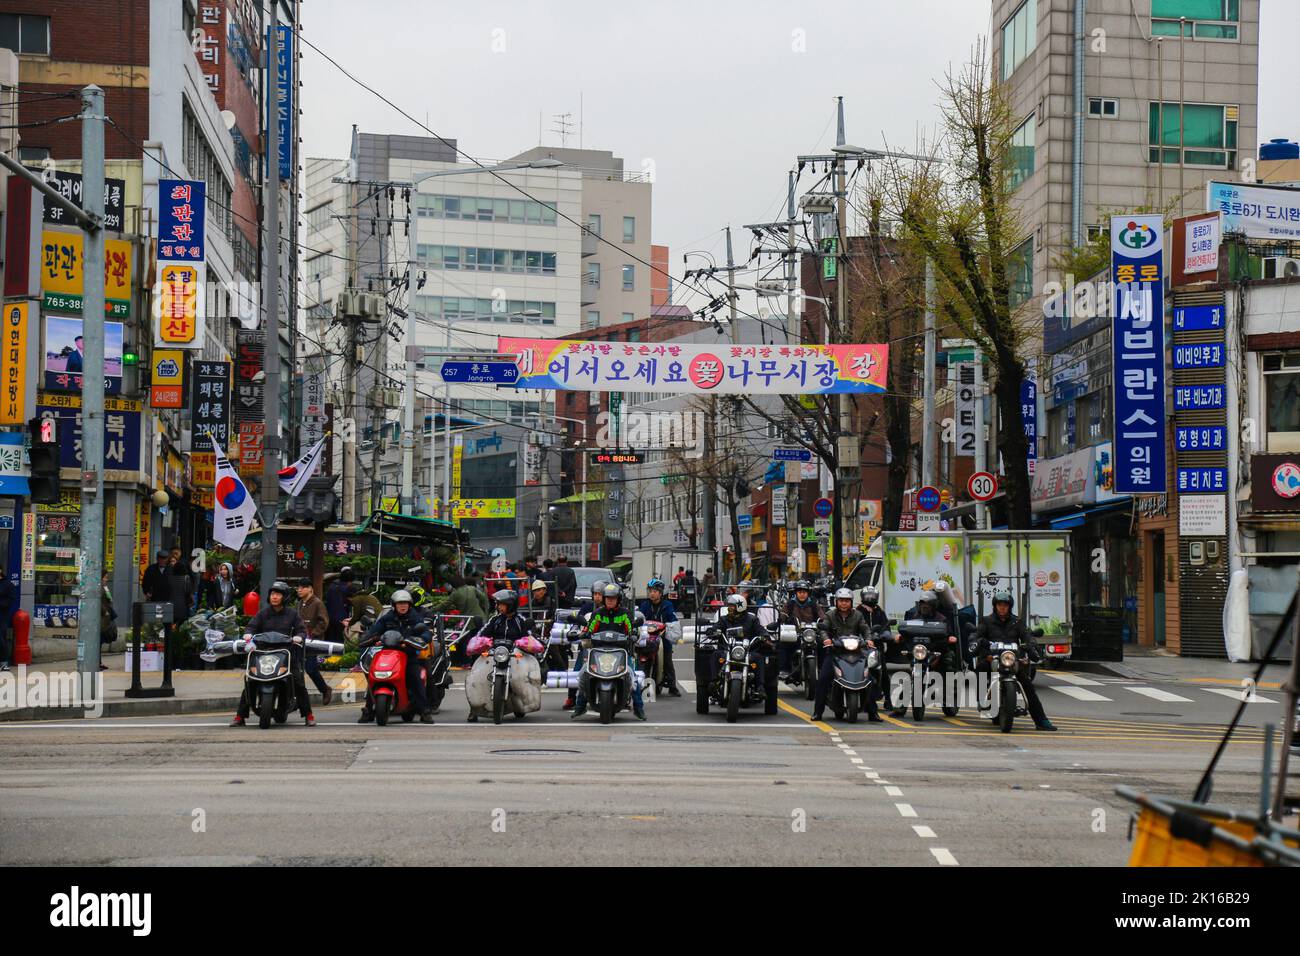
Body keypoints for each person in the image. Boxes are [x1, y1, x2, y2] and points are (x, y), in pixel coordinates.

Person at [231, 581, 314, 727]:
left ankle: (308, 715)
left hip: (285, 654)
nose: (274, 597)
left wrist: (299, 636)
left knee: (298, 682)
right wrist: (248, 634)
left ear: (285, 597)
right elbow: (251, 627)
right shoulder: (263, 613)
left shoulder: (292, 614)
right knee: (251, 680)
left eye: (278, 594)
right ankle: (240, 716)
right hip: (263, 653)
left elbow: (301, 630)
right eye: (272, 594)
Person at [974, 590, 1056, 731]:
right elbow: (977, 636)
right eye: (1000, 604)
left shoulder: (1017, 622)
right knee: (980, 669)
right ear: (995, 606)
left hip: (1011, 660)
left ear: (1009, 606)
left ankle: (1042, 720)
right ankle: (983, 701)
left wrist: (1031, 647)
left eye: (1005, 605)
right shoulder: (986, 621)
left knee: (1027, 685)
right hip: (992, 658)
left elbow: (1026, 636)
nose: (1002, 607)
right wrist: (976, 643)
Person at [359, 589, 432, 723]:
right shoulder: (388, 618)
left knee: (415, 676)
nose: (403, 606)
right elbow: (375, 629)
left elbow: (426, 632)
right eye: (399, 603)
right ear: (394, 605)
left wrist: (421, 639)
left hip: (407, 654)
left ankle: (424, 711)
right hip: (388, 654)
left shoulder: (415, 617)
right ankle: (369, 710)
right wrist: (367, 638)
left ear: (409, 605)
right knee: (373, 676)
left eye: (405, 603)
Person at [573, 584, 644, 720]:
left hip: (621, 651)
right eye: (607, 598)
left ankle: (639, 708)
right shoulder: (598, 614)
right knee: (583, 674)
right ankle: (580, 706)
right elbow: (590, 627)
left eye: (613, 598)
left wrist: (633, 633)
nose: (610, 600)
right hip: (598, 651)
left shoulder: (625, 614)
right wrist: (585, 633)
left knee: (632, 678)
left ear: (618, 599)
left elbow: (631, 627)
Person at [812, 588, 882, 723]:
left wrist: (869, 639)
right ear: (837, 602)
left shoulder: (858, 615)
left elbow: (865, 628)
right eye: (841, 601)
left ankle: (873, 713)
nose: (844, 604)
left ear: (851, 602)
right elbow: (823, 629)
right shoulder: (830, 615)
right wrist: (826, 639)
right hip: (835, 651)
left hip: (856, 651)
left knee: (870, 678)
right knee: (823, 679)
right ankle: (817, 712)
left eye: (847, 601)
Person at [638, 578, 680, 696]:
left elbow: (673, 620)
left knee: (667, 659)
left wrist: (669, 626)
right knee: (640, 656)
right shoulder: (645, 605)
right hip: (647, 638)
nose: (652, 593)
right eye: (650, 591)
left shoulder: (668, 605)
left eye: (655, 591)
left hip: (663, 638)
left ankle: (672, 686)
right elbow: (640, 617)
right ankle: (640, 683)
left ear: (660, 593)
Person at [295, 579, 332, 706]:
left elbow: (324, 622)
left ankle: (325, 689)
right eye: (298, 587)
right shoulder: (300, 603)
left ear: (310, 588)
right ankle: (297, 699)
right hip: (299, 640)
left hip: (313, 641)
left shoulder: (317, 603)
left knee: (311, 669)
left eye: (302, 587)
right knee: (297, 670)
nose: (299, 590)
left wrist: (314, 633)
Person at [780, 579, 823, 680]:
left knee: (822, 644)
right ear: (796, 593)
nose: (802, 594)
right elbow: (783, 614)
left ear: (808, 593)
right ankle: (784, 669)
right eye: (800, 592)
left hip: (811, 633)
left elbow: (822, 617)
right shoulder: (790, 604)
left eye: (804, 592)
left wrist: (823, 623)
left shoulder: (813, 604)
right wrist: (779, 621)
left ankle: (822, 668)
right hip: (795, 633)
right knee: (783, 644)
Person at [324, 567, 354, 646]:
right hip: (342, 619)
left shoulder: (331, 587)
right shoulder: (348, 589)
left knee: (330, 642)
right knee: (340, 644)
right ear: (350, 580)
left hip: (329, 618)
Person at [98, 572, 116, 670]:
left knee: (100, 642)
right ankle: (97, 663)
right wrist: (104, 611)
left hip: (105, 619)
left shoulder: (104, 587)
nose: (106, 579)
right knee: (98, 641)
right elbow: (98, 601)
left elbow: (109, 599)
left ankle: (99, 662)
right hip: (101, 618)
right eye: (105, 577)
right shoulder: (99, 588)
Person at [0, 566, 16, 671]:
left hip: (1, 616)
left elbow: (11, 599)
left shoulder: (7, 584)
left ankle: (4, 663)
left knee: (1, 639)